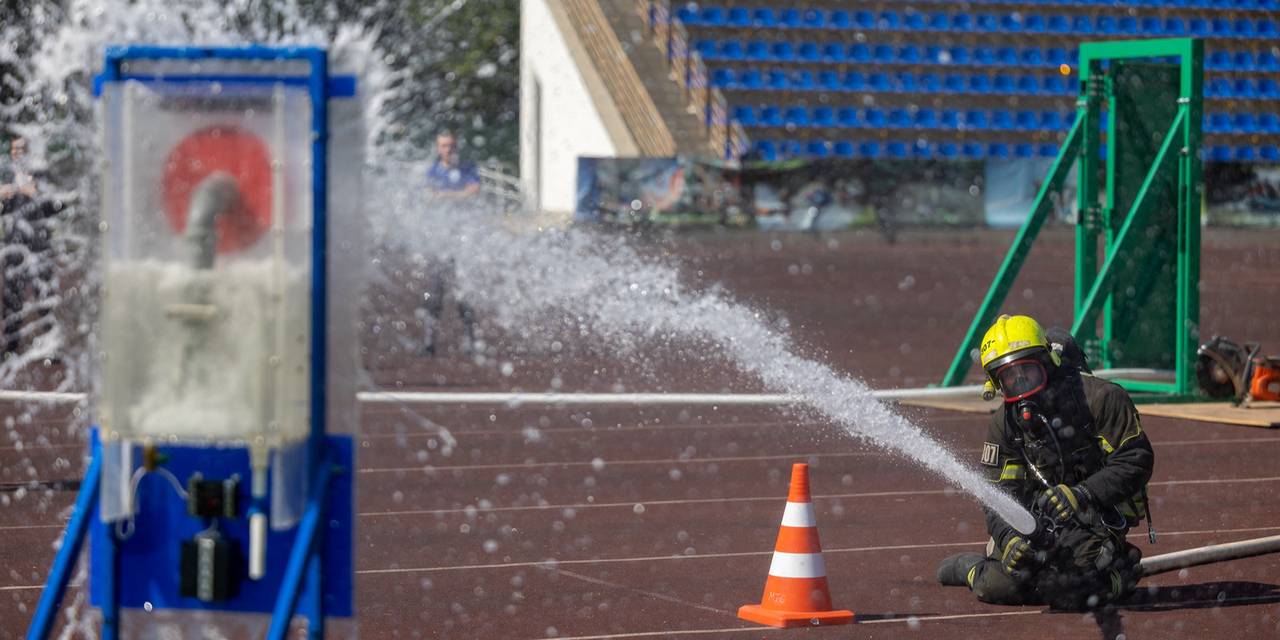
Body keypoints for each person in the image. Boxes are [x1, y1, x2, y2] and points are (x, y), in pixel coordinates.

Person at [936, 314, 1155, 610]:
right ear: (997, 384)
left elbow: (1136, 459)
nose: (1020, 384)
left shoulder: (1101, 398)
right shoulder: (1004, 423)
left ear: (1048, 361)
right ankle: (973, 569)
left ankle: (1122, 569)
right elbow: (996, 494)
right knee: (998, 586)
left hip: (1096, 515)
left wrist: (1083, 494)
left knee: (1073, 592)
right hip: (1038, 520)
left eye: (1027, 371)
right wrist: (1009, 539)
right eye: (1009, 378)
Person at [420, 130, 478, 356]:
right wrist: (457, 195)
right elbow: (427, 196)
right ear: (438, 149)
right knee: (434, 292)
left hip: (463, 238)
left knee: (464, 292)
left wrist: (443, 195)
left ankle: (469, 339)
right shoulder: (432, 171)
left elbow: (473, 191)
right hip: (439, 238)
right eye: (444, 146)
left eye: (451, 146)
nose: (448, 150)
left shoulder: (468, 168)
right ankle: (429, 341)